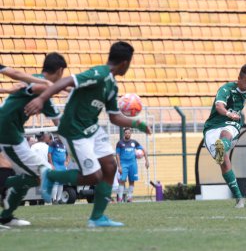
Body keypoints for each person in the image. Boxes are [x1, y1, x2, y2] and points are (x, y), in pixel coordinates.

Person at [25, 41, 152, 227]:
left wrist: (137, 124)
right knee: (94, 176)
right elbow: (66, 81)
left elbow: (115, 118)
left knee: (110, 167)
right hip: (74, 130)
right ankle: (52, 176)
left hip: (92, 129)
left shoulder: (111, 86)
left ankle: (97, 217)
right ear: (125, 63)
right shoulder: (98, 73)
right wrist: (42, 98)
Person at [0, 53, 67, 228]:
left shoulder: (44, 90)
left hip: (14, 132)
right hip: (6, 132)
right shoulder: (39, 83)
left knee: (33, 177)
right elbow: (33, 86)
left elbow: (59, 122)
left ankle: (6, 216)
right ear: (60, 70)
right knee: (43, 169)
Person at [203, 64, 246, 208]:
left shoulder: (245, 94)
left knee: (225, 133)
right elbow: (219, 106)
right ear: (239, 78)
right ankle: (239, 199)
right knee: (225, 162)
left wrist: (232, 117)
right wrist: (228, 113)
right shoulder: (225, 89)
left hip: (230, 125)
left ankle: (222, 145)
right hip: (212, 128)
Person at [115, 127, 149, 203]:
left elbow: (144, 150)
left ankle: (130, 198)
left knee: (132, 180)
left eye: (129, 133)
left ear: (131, 134)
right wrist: (119, 166)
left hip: (133, 164)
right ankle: (120, 198)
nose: (127, 134)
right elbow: (117, 155)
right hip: (123, 164)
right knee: (122, 180)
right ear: (124, 134)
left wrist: (147, 161)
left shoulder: (134, 142)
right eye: (126, 133)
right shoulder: (120, 143)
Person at [48, 136, 69, 204]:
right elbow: (49, 154)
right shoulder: (53, 143)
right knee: (56, 183)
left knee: (61, 183)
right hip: (55, 165)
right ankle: (54, 199)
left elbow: (68, 154)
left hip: (62, 166)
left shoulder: (65, 144)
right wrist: (51, 164)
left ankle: (59, 199)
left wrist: (67, 162)